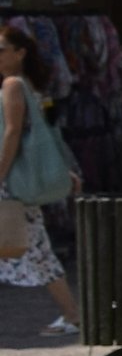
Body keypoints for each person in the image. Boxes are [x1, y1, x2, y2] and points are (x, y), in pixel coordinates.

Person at [1, 26, 83, 337]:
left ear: (19, 53)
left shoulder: (12, 84)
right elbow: (49, 131)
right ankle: (72, 314)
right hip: (18, 180)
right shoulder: (30, 85)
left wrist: (0, 174)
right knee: (37, 249)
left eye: (1, 49)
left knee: (37, 250)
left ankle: (73, 314)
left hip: (10, 181)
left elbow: (13, 132)